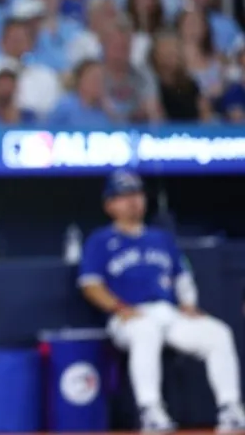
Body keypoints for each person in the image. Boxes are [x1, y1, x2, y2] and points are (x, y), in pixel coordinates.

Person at [78, 169, 245, 433]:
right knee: (146, 331)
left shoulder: (161, 238)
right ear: (109, 205)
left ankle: (230, 407)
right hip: (127, 317)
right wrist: (119, 308)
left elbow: (182, 275)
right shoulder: (100, 240)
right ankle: (150, 410)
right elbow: (90, 285)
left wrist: (188, 304)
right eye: (124, 196)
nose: (133, 201)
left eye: (137, 194)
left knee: (218, 333)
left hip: (167, 313)